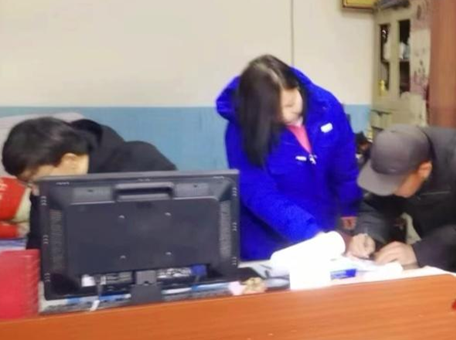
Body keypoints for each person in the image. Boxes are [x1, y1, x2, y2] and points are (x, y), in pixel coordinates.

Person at [216, 55, 361, 261]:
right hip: (268, 241)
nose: (288, 114)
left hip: (323, 225)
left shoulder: (326, 106)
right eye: (275, 112)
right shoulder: (241, 130)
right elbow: (258, 193)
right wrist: (309, 233)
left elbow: (344, 161)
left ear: (297, 87)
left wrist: (349, 205)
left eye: (291, 103)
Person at [349, 124, 456, 281]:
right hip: (437, 250)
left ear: (424, 170)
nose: (389, 191)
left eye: (395, 185)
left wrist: (418, 252)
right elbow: (376, 205)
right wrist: (368, 234)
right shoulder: (393, 158)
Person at [1, 117, 176, 249]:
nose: (35, 192)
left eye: (36, 182)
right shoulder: (43, 188)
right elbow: (39, 246)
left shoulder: (141, 162)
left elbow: (176, 226)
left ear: (70, 160)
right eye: (27, 184)